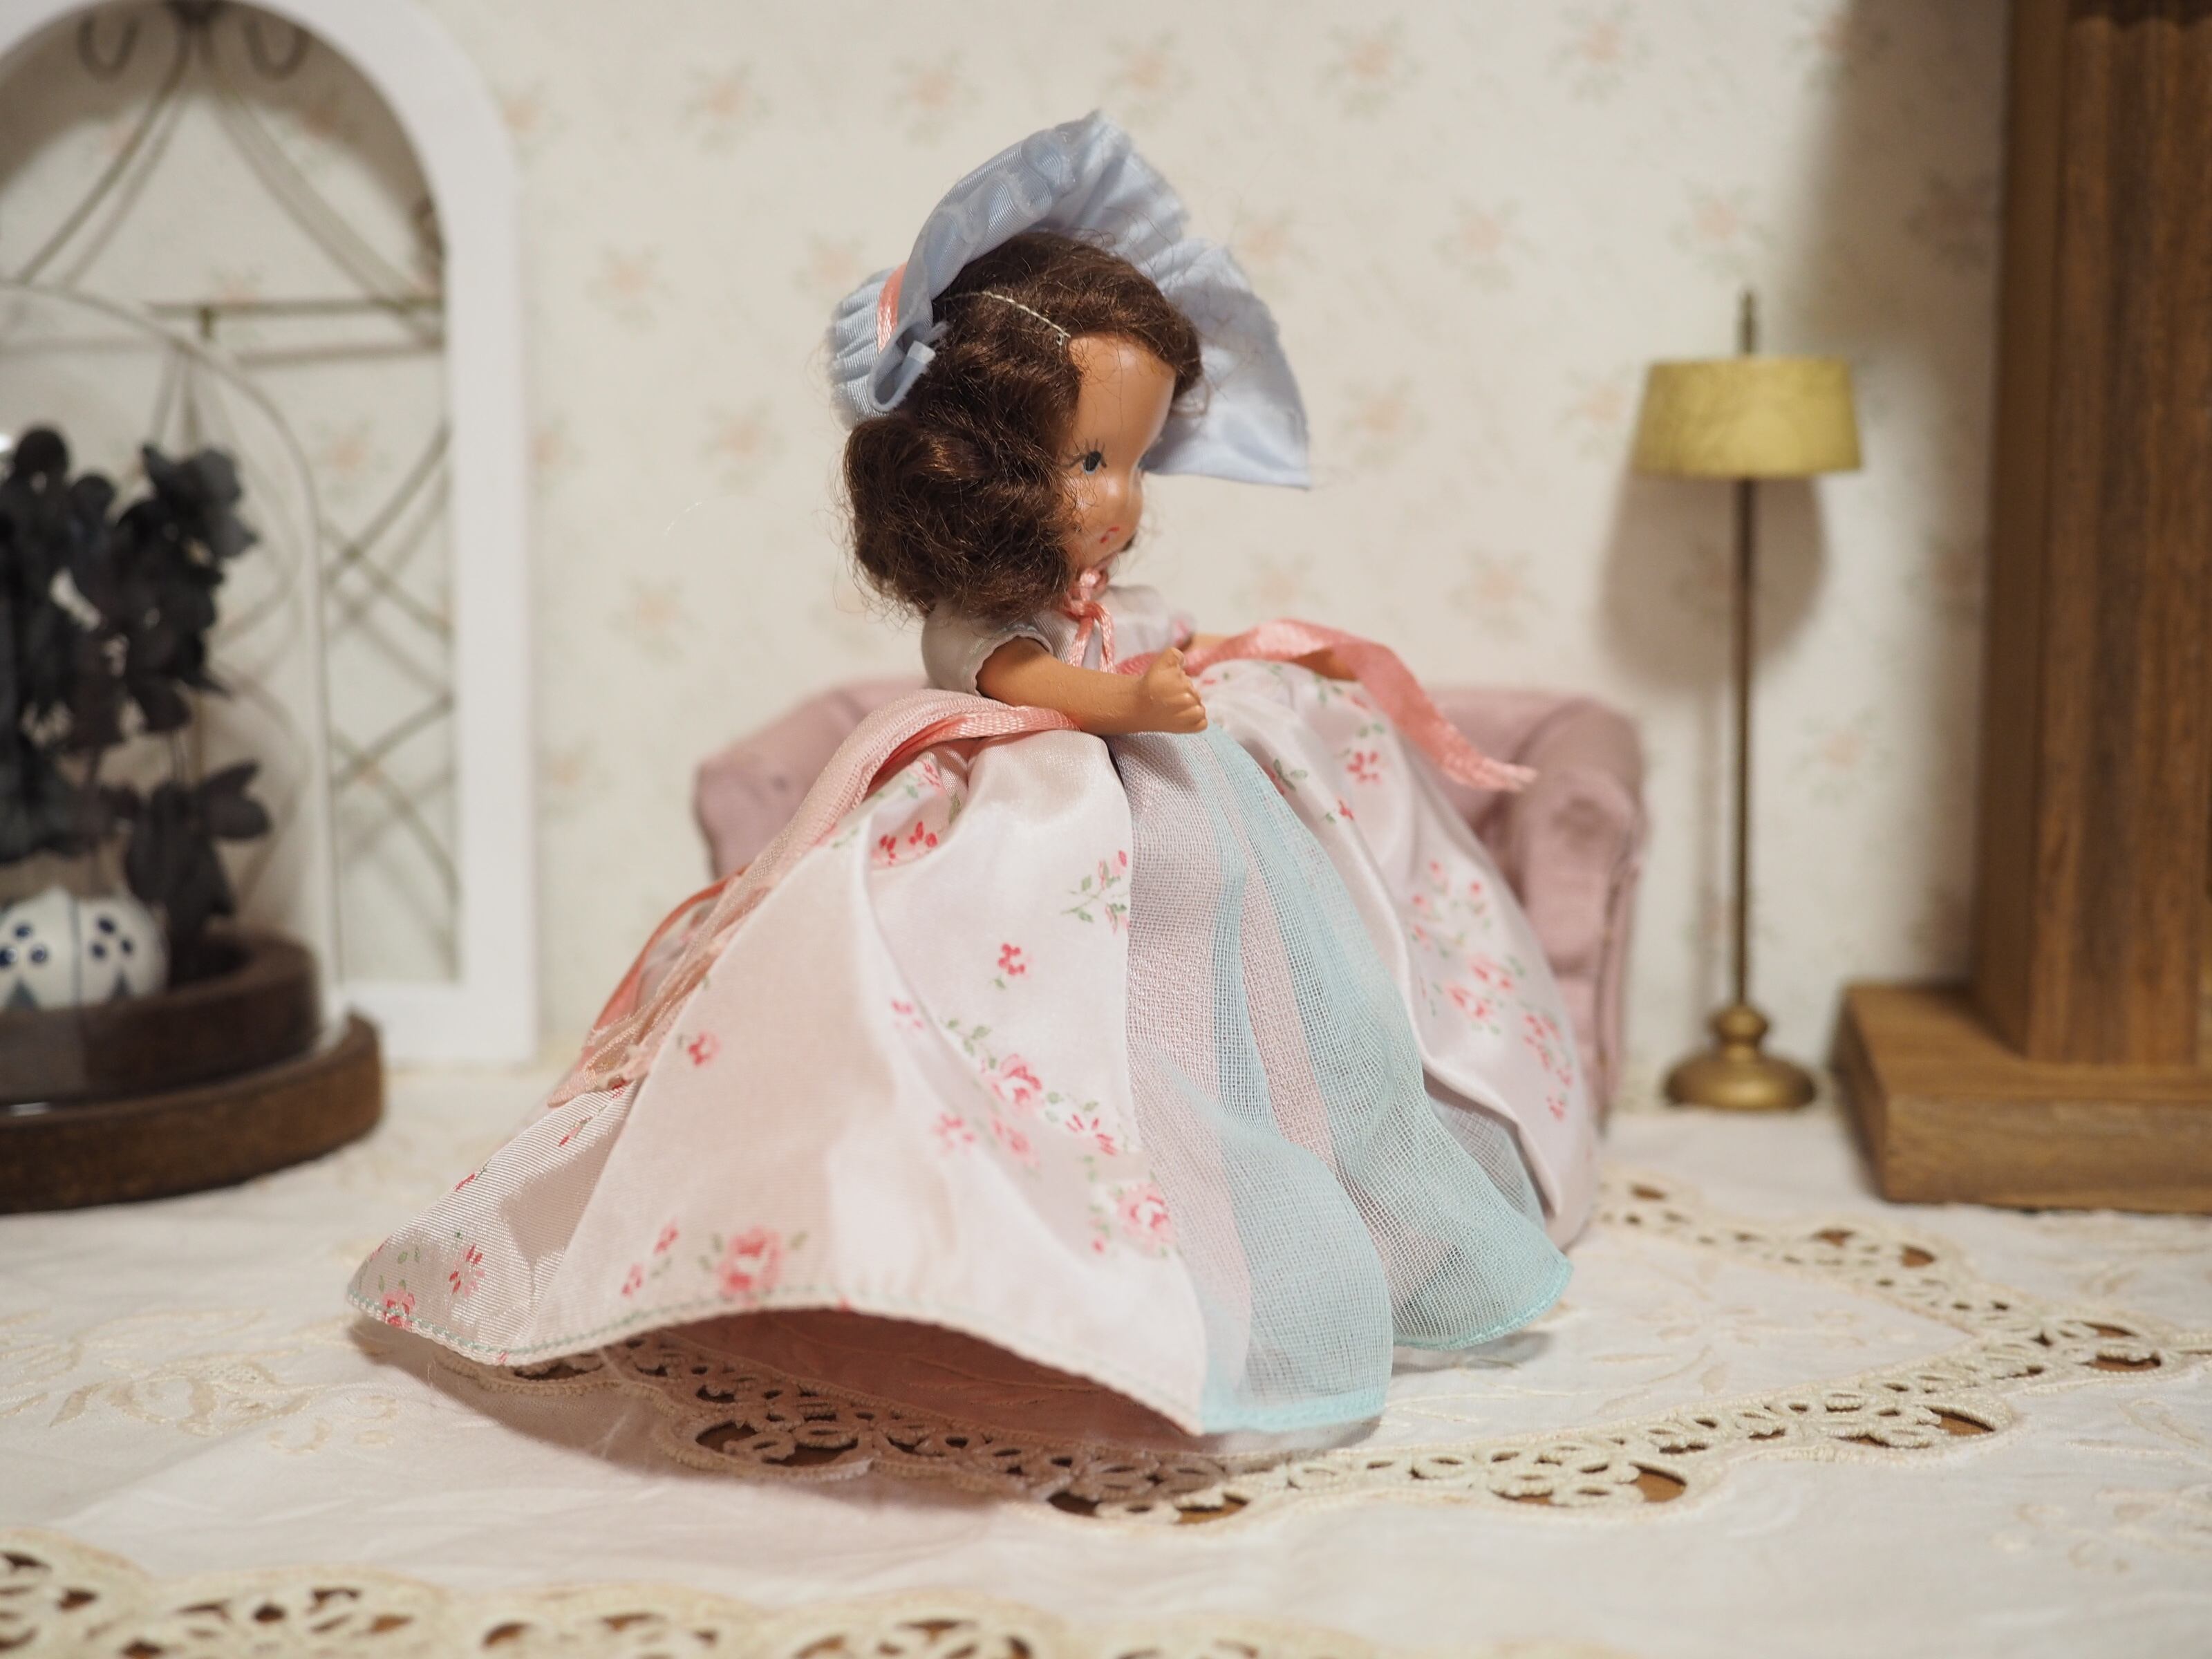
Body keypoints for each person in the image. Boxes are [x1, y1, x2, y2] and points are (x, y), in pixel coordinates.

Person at [350, 113, 1599, 1438]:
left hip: (1176, 819)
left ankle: (1280, 1227)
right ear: (989, 475)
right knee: (1016, 1027)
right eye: (1091, 462)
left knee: (1245, 1013)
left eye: (1137, 462)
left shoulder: (1105, 597)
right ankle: (1003, 1259)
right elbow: (1023, 681)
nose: (1121, 500)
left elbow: (1144, 646)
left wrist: (1240, 675)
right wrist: (1129, 700)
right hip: (1035, 828)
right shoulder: (984, 626)